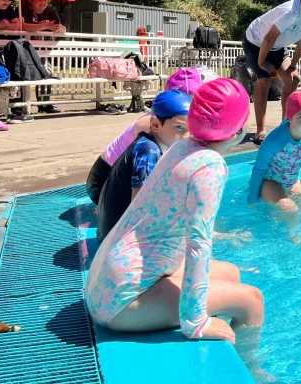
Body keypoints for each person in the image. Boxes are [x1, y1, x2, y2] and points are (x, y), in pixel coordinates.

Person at [85, 79, 264, 355]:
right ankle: (251, 367)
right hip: (118, 302)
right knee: (252, 301)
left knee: (232, 274)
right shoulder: (211, 165)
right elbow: (199, 244)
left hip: (105, 278)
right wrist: (195, 322)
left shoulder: (182, 147)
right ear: (237, 131)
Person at [85, 71, 200, 204]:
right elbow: (143, 195)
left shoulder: (167, 124)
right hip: (101, 181)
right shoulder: (149, 130)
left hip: (116, 178)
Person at [96, 90, 191, 241]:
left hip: (109, 235)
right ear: (154, 124)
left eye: (191, 128)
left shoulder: (148, 143)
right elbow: (140, 206)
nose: (188, 136)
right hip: (117, 245)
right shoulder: (148, 152)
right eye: (180, 128)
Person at [244, 0, 301, 145]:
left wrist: (293, 66)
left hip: (278, 46)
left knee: (293, 79)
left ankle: (285, 124)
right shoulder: (290, 12)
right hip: (257, 43)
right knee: (264, 82)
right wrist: (262, 64)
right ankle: (260, 130)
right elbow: (268, 38)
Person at [247, 92, 301, 211]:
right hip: (269, 181)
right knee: (290, 211)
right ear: (289, 118)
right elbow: (259, 170)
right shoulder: (274, 140)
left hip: (291, 181)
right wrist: (252, 200)